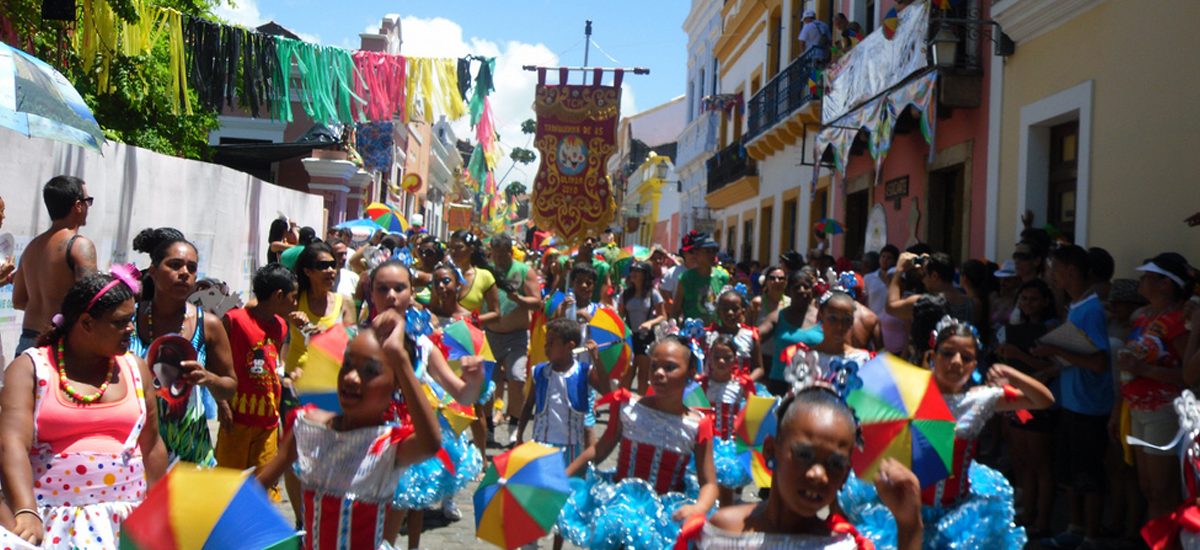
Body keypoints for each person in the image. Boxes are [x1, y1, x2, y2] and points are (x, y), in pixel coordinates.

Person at [843, 316, 1053, 549]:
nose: (956, 362)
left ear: (975, 365)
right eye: (947, 353)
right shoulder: (906, 394)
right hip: (904, 510)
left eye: (967, 358)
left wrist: (1011, 375)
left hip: (959, 516)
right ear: (932, 356)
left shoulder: (980, 399)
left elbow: (1043, 400)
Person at [0, 271, 166, 546]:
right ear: (87, 323)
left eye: (131, 320)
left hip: (126, 519)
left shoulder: (136, 368)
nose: (131, 329)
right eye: (120, 322)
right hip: (52, 520)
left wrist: (159, 509)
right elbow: (10, 443)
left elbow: (151, 444)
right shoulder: (31, 368)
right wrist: (27, 510)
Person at [255, 310, 442, 550]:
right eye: (348, 365)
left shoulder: (387, 446)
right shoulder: (307, 425)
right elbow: (259, 486)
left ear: (396, 383)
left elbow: (430, 443)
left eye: (370, 371)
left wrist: (399, 357)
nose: (352, 378)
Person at [695, 389, 924, 550]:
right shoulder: (723, 532)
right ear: (771, 450)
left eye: (835, 464)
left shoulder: (841, 546)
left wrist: (910, 525)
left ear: (845, 475)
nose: (818, 474)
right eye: (804, 455)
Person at [558, 336, 719, 549]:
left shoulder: (698, 425)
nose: (659, 373)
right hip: (619, 510)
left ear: (690, 373)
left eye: (670, 367)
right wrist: (563, 477)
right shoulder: (628, 407)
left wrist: (699, 508)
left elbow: (709, 482)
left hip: (663, 521)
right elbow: (599, 449)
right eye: (654, 366)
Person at [375, 261, 485, 547]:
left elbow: (463, 395)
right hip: (367, 445)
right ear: (370, 292)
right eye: (382, 288)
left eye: (399, 288)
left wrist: (474, 380)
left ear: (412, 293)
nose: (391, 296)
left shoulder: (424, 345)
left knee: (386, 536)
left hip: (405, 446)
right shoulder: (358, 341)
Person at [128, 228, 237, 466]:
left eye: (191, 268)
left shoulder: (208, 325)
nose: (184, 273)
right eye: (175, 265)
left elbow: (229, 387)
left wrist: (207, 378)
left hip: (189, 452)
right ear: (154, 272)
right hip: (134, 451)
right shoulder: (128, 321)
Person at [1030, 244, 1112, 548]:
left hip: (1089, 406)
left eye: (1055, 270)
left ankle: (1090, 535)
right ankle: (1075, 527)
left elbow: (1098, 362)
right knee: (1070, 472)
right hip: (1072, 400)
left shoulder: (1090, 309)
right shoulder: (1076, 306)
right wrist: (1050, 367)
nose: (1051, 276)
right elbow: (1079, 353)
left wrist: (1055, 350)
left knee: (1089, 475)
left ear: (1071, 272)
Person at [1117, 253, 1193, 521]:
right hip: (1136, 407)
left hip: (1165, 411)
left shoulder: (1181, 322)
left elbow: (1191, 375)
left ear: (1166, 284)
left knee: (1164, 491)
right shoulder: (1142, 317)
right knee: (1148, 489)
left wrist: (1145, 370)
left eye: (1148, 276)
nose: (1142, 280)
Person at [516, 317, 603, 550]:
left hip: (571, 449)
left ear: (569, 346)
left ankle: (557, 545)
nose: (545, 346)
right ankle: (530, 541)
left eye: (551, 342)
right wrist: (518, 434)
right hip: (541, 446)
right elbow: (529, 404)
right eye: (546, 341)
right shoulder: (539, 372)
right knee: (536, 496)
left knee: (563, 502)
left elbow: (607, 389)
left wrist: (597, 360)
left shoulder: (584, 373)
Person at [215, 263, 296, 501]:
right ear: (278, 296)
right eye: (292, 297)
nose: (295, 303)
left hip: (268, 421)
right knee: (229, 485)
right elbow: (215, 360)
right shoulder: (235, 321)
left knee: (264, 488)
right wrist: (221, 403)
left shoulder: (281, 325)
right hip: (236, 419)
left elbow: (273, 363)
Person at [994, 278, 1059, 537]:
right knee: (1021, 459)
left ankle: (1043, 520)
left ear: (1045, 302)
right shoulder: (1016, 327)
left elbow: (1054, 367)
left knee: (1040, 462)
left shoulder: (1053, 329)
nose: (1028, 304)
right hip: (1015, 400)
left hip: (1039, 402)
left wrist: (1019, 356)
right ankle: (1026, 512)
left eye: (1034, 299)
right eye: (1024, 299)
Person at [12, 176, 98, 355]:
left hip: (27, 343)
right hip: (58, 343)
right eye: (88, 201)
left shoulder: (31, 248)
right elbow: (90, 300)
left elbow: (19, 300)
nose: (88, 208)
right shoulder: (79, 245)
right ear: (78, 206)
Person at [486, 233, 542, 444]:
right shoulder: (487, 271)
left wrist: (519, 299)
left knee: (517, 378)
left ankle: (514, 429)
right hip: (491, 336)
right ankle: (489, 429)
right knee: (488, 384)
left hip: (516, 336)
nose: (499, 258)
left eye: (503, 254)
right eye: (495, 254)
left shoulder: (523, 271)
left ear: (510, 252)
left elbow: (537, 302)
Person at [700, 335, 758, 506]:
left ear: (735, 359)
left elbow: (753, 414)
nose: (721, 361)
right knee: (707, 490)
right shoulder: (702, 384)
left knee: (728, 494)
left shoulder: (742, 384)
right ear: (709, 358)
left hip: (731, 445)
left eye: (727, 357)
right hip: (708, 445)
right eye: (716, 356)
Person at [782, 290, 873, 396]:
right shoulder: (805, 358)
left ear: (852, 321)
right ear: (820, 316)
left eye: (846, 319)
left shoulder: (862, 359)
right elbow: (794, 396)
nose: (839, 326)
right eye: (833, 319)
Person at [888, 251, 972, 358]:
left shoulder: (924, 302)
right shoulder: (971, 303)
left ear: (934, 276)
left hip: (927, 365)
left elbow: (891, 307)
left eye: (924, 275)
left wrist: (898, 271)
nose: (923, 280)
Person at [759, 268, 823, 396]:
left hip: (814, 385)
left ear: (812, 290)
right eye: (796, 287)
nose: (802, 291)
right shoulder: (777, 317)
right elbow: (755, 338)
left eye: (806, 287)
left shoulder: (822, 318)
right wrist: (757, 368)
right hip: (779, 385)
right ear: (788, 291)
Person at [619, 261, 666, 393]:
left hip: (646, 337)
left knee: (643, 375)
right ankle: (622, 404)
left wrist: (650, 323)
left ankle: (641, 405)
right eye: (632, 270)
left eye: (637, 271)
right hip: (629, 336)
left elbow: (663, 316)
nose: (633, 273)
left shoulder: (653, 293)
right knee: (627, 373)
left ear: (645, 275)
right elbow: (620, 316)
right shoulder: (626, 294)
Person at [706, 289, 765, 381]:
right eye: (725, 309)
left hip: (739, 390)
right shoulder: (708, 335)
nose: (730, 313)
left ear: (743, 311)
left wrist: (746, 382)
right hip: (711, 387)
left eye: (735, 309)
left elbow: (759, 368)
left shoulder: (750, 335)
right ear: (718, 311)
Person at [672, 231, 729, 324]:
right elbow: (676, 310)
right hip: (693, 334)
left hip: (716, 332)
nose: (712, 255)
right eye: (707, 251)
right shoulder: (686, 278)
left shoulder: (723, 276)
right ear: (696, 253)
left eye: (714, 250)